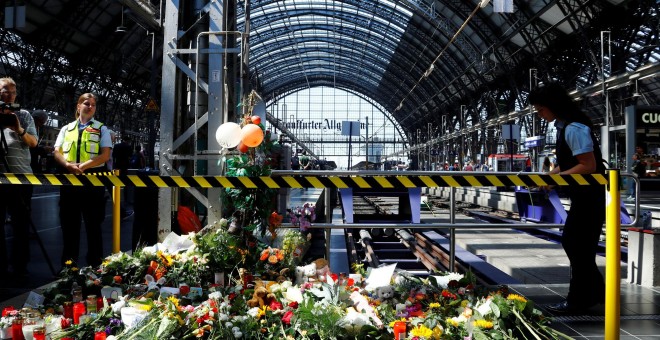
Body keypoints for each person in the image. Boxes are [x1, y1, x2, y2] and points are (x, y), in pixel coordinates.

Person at [529, 82, 606, 314]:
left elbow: (588, 165)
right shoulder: (567, 127)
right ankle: (593, 294)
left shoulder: (574, 128)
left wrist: (556, 179)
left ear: (553, 106)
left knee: (576, 245)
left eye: (540, 109)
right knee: (578, 246)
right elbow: (570, 162)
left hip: (590, 198)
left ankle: (580, 300)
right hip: (584, 198)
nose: (539, 114)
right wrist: (551, 175)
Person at [53, 93, 112, 268]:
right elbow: (57, 151)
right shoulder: (66, 129)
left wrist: (83, 166)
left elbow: (105, 155)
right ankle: (69, 266)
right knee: (69, 227)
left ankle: (95, 266)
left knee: (93, 227)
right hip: (70, 184)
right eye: (87, 103)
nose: (90, 107)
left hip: (92, 185)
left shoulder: (102, 129)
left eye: (93, 105)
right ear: (78, 106)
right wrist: (68, 165)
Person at [0, 77, 38, 277]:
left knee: (21, 225)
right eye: (6, 90)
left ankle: (20, 266)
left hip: (21, 178)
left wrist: (18, 128)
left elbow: (33, 143)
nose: (10, 95)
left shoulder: (23, 115)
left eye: (13, 92)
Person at [112, 134, 134, 219]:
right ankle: (126, 198)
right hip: (125, 166)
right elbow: (130, 156)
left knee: (117, 183)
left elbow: (113, 156)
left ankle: (118, 194)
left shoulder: (117, 146)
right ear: (128, 141)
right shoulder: (128, 147)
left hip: (117, 166)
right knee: (126, 183)